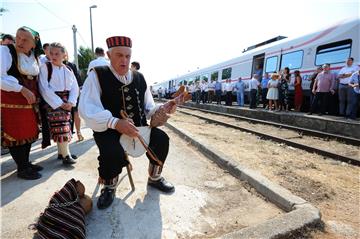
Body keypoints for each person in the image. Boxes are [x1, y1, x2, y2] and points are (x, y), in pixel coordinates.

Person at [79, 36, 175, 209]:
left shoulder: (139, 77)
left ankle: (154, 178)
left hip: (139, 129)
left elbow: (148, 107)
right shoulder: (97, 75)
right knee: (111, 151)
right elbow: (87, 108)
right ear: (108, 55)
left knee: (161, 139)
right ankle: (109, 186)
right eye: (119, 55)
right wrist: (115, 122)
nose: (124, 60)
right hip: (109, 129)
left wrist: (161, 110)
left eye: (127, 56)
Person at [1, 26, 43, 180]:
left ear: (34, 44)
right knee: (16, 134)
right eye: (18, 37)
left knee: (29, 133)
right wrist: (21, 89)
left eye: (25, 39)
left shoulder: (34, 57)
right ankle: (22, 168)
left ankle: (26, 163)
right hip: (12, 101)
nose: (19, 42)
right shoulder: (5, 51)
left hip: (29, 102)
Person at [38, 42, 79, 165]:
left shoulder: (68, 69)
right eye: (51, 53)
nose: (53, 56)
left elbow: (75, 87)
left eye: (57, 53)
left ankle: (62, 153)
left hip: (66, 102)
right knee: (61, 128)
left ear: (64, 55)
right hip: (53, 102)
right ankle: (66, 155)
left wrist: (71, 102)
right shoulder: (45, 67)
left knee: (64, 127)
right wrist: (59, 103)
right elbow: (44, 87)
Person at [63, 50, 84, 141]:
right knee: (68, 114)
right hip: (62, 94)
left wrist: (78, 91)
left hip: (73, 92)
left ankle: (78, 132)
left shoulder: (71, 65)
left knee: (75, 113)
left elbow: (78, 79)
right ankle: (70, 133)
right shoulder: (52, 66)